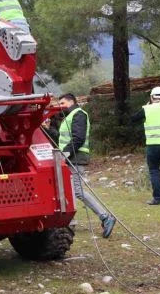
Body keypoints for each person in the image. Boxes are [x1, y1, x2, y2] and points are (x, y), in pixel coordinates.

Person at [47, 94, 116, 238]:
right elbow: (61, 138)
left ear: (71, 101)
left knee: (77, 190)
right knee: (69, 190)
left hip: (76, 158)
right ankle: (70, 221)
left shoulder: (78, 114)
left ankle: (105, 217)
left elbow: (78, 138)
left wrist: (65, 154)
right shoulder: (69, 117)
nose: (60, 105)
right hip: (71, 157)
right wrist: (47, 129)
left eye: (63, 102)